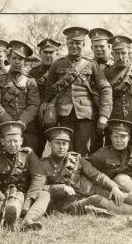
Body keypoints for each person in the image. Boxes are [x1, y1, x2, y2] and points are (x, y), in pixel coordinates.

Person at [45, 26, 113, 156]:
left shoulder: (92, 65)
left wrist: (104, 115)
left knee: (84, 153)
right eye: (71, 43)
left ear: (83, 44)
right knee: (64, 152)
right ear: (67, 43)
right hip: (62, 116)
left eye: (78, 43)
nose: (74, 46)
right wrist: (48, 113)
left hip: (86, 117)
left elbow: (105, 89)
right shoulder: (57, 64)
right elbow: (49, 92)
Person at [41, 126, 132, 215]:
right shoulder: (42, 164)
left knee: (118, 195)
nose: (61, 147)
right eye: (57, 143)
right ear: (50, 144)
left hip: (87, 191)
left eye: (64, 143)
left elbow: (97, 175)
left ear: (68, 145)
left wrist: (114, 187)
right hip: (68, 203)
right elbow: (39, 188)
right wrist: (61, 188)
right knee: (96, 200)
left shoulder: (76, 159)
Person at [0, 121, 50, 230]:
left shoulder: (28, 154)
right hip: (9, 196)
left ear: (21, 141)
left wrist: (30, 198)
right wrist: (3, 198)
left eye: (16, 141)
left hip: (28, 193)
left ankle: (28, 220)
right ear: (2, 142)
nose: (12, 145)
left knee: (44, 194)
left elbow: (39, 176)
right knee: (14, 203)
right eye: (9, 141)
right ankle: (11, 219)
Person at [0, 40, 40, 153]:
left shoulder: (30, 82)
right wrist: (9, 124)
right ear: (8, 58)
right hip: (5, 128)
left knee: (29, 159)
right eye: (14, 58)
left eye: (20, 59)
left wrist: (21, 123)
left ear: (25, 61)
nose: (17, 62)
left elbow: (34, 105)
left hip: (26, 129)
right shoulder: (0, 80)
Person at [28, 38, 61, 156]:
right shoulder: (33, 73)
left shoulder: (62, 71)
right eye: (45, 52)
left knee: (60, 151)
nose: (48, 55)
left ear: (57, 53)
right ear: (40, 53)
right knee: (35, 151)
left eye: (51, 52)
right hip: (38, 119)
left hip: (59, 116)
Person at [88, 119, 132, 192]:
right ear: (111, 137)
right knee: (121, 179)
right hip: (112, 192)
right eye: (116, 136)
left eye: (123, 137)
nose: (119, 140)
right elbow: (85, 164)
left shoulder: (131, 151)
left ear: (129, 138)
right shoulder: (102, 154)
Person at [104, 35, 132, 121]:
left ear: (129, 54)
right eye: (117, 53)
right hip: (113, 118)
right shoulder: (104, 73)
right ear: (112, 54)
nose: (120, 57)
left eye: (123, 53)